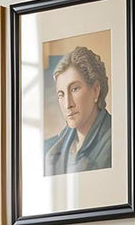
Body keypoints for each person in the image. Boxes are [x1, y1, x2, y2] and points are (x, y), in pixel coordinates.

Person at [44, 46, 112, 175]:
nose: (68, 104)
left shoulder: (116, 140)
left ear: (95, 90)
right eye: (61, 94)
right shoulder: (51, 149)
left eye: (74, 89)